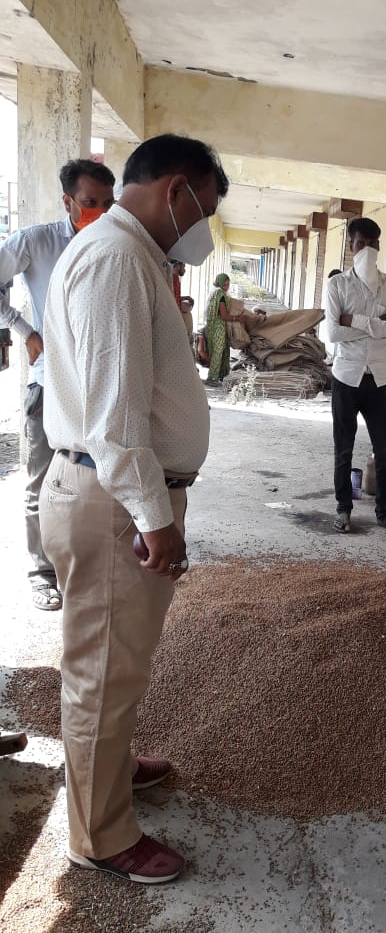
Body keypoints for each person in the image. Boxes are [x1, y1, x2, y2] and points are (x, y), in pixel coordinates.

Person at [40, 133, 228, 883]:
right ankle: (100, 836)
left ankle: (107, 770)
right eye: (204, 209)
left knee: (115, 664)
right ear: (174, 188)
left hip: (112, 492)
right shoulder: (117, 258)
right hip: (113, 498)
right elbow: (113, 419)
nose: (202, 226)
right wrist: (157, 517)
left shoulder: (130, 256)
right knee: (102, 672)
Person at [0, 158, 116, 611]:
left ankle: (86, 563)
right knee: (42, 480)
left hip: (101, 385)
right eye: (90, 203)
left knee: (95, 477)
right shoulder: (37, 242)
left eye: (108, 203)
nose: (100, 212)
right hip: (50, 384)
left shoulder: (115, 242)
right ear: (67, 201)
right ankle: (40, 571)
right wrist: (23, 329)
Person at [326, 217, 386, 535]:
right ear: (351, 247)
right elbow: (333, 333)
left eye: (373, 244)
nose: (368, 250)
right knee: (343, 449)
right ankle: (344, 510)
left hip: (378, 379)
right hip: (346, 378)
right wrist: (377, 321)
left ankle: (384, 513)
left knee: (385, 451)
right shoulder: (337, 285)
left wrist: (355, 320)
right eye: (362, 244)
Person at [204, 272, 243, 385]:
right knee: (218, 352)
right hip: (218, 328)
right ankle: (212, 378)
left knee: (217, 351)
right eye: (224, 285)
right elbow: (224, 316)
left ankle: (219, 375)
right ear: (220, 283)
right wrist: (237, 318)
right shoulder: (220, 295)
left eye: (228, 285)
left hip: (212, 326)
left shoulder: (213, 292)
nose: (226, 287)